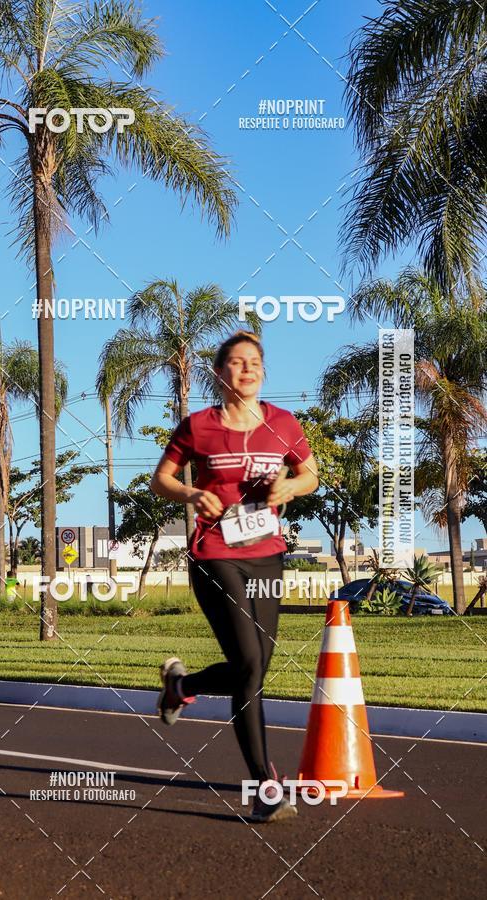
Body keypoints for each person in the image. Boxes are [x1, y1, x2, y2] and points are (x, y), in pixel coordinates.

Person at [150, 330, 319, 823]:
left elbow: (310, 474)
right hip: (215, 554)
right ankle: (265, 786)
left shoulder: (284, 423)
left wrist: (289, 488)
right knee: (247, 663)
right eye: (237, 362)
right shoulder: (198, 426)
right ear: (220, 372)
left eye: (255, 362)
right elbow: (161, 478)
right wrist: (190, 494)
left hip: (267, 556)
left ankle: (181, 686)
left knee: (255, 670)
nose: (248, 369)